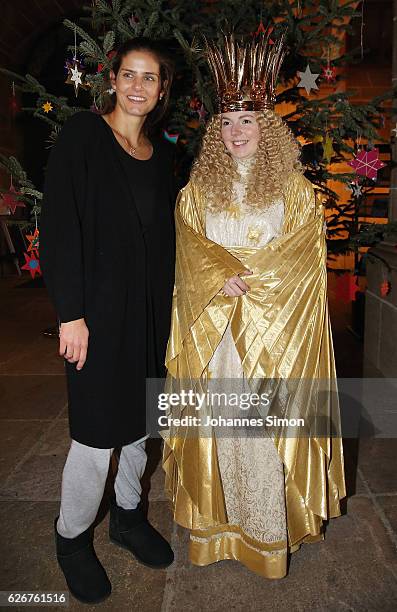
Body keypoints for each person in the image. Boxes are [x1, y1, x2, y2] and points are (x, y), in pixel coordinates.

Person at [161, 33, 346, 579]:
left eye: (246, 122)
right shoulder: (198, 188)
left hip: (273, 336)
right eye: (225, 123)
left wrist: (252, 276)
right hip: (216, 335)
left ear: (267, 130)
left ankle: (266, 535)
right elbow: (188, 240)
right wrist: (219, 274)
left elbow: (301, 256)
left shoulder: (295, 191)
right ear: (216, 133)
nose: (235, 131)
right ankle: (217, 530)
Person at [40, 38, 176, 604]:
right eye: (130, 75)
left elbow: (175, 234)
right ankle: (71, 539)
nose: (138, 86)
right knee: (97, 435)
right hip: (95, 315)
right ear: (113, 80)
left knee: (141, 424)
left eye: (150, 78)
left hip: (150, 312)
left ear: (162, 89)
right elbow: (59, 226)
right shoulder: (83, 136)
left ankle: (126, 516)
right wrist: (70, 313)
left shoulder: (166, 154)